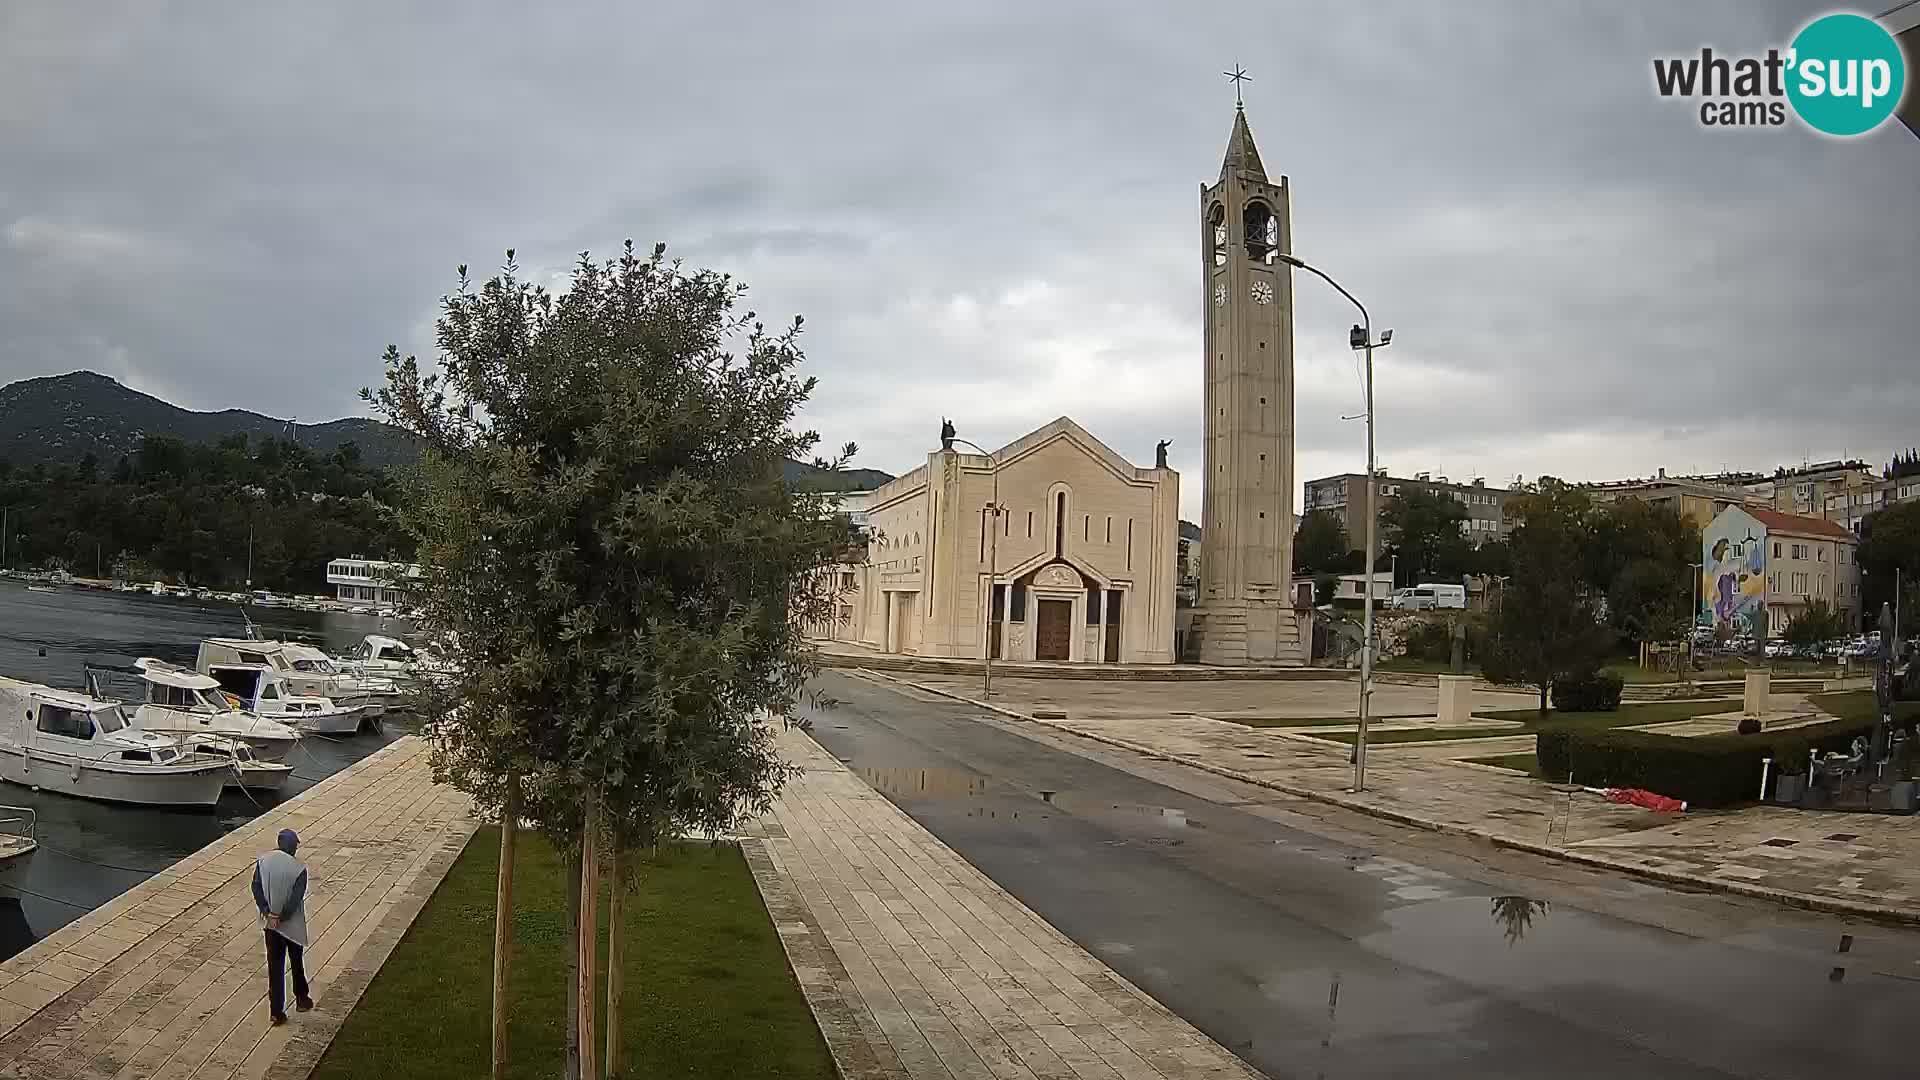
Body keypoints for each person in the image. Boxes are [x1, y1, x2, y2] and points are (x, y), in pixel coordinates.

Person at [252, 828, 313, 1025]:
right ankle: (302, 999)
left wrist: (268, 912)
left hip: (271, 925)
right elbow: (296, 898)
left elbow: (256, 887)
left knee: (275, 968)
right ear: (292, 846)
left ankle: (276, 1012)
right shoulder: (299, 869)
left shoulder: (263, 861)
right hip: (291, 925)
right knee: (296, 962)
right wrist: (283, 916)